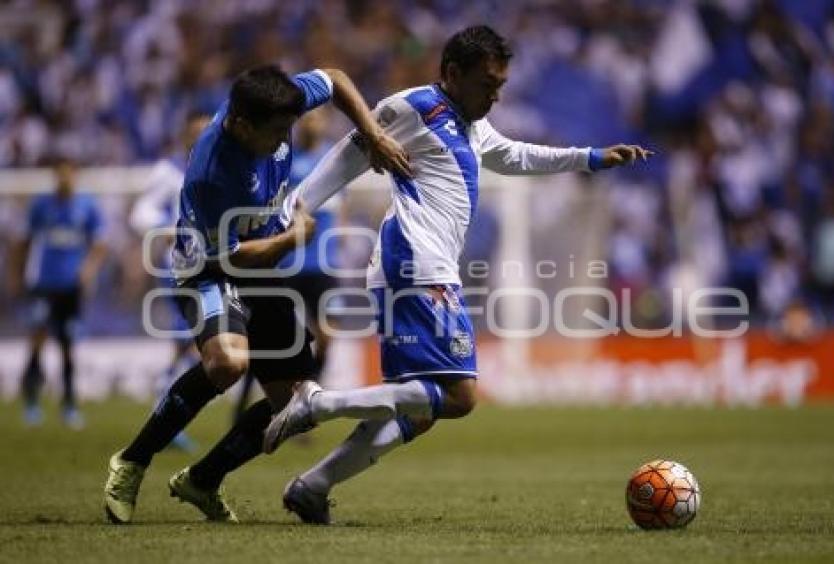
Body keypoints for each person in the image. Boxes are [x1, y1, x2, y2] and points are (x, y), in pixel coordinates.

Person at [262, 25, 653, 524]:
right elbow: (347, 157)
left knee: (418, 413)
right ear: (452, 73)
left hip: (418, 266)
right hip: (415, 262)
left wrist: (590, 158)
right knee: (459, 396)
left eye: (501, 86)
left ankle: (313, 487)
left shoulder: (470, 123)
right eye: (487, 83)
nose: (495, 95)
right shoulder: (413, 108)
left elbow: (513, 155)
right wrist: (295, 211)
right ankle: (318, 402)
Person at [103, 64, 410, 524]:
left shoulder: (272, 104)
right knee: (228, 363)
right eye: (277, 132)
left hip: (260, 269)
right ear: (243, 125)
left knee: (293, 404)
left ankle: (202, 480)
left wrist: (372, 134)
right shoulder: (213, 173)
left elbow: (336, 77)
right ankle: (132, 461)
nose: (285, 138)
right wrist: (294, 238)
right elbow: (233, 258)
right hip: (208, 269)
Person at [232, 108, 342, 420]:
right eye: (307, 119)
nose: (313, 124)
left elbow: (340, 210)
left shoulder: (333, 159)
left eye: (319, 118)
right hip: (287, 261)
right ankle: (243, 409)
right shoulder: (284, 160)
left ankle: (307, 405)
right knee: (271, 341)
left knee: (327, 336)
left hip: (323, 264)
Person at [129, 111, 210, 452]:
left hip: (211, 264)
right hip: (177, 266)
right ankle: (167, 401)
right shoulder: (169, 171)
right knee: (194, 338)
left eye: (207, 131)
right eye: (196, 132)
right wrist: (163, 227)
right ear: (184, 135)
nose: (201, 137)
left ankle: (166, 396)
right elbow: (141, 212)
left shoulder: (216, 167)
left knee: (195, 342)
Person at [10, 158, 107, 429]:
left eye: (69, 174)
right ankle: (31, 402)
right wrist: (16, 275)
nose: (65, 179)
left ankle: (69, 405)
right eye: (60, 174)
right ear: (55, 176)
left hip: (71, 286)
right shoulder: (41, 205)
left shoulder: (87, 206)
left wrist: (88, 269)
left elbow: (100, 244)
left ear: (75, 175)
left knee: (67, 345)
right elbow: (24, 241)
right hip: (43, 283)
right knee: (37, 340)